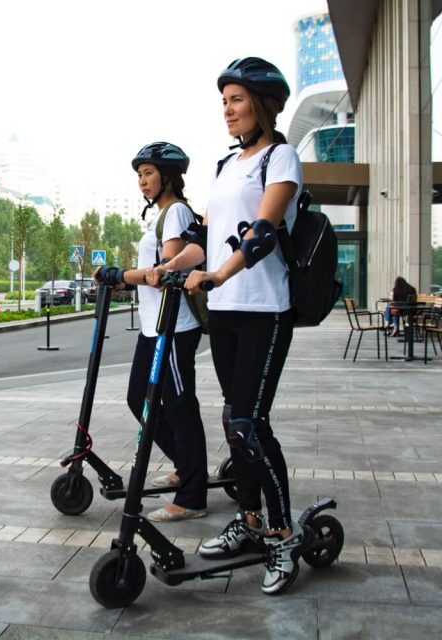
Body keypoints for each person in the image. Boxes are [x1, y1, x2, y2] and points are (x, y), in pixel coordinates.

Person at [153, 57, 304, 595]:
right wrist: (172, 266)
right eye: (224, 101)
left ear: (263, 105)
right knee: (231, 420)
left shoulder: (281, 158)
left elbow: (262, 232)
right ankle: (251, 518)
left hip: (265, 308)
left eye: (237, 100)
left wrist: (218, 274)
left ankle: (283, 533)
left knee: (250, 423)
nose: (228, 110)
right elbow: (206, 240)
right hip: (226, 311)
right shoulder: (225, 165)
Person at [94, 141, 209, 523]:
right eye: (140, 175)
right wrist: (122, 279)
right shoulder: (161, 216)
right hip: (153, 327)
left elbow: (164, 273)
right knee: (137, 398)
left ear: (168, 176)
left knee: (179, 405)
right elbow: (150, 275)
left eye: (148, 173)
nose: (142, 181)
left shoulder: (175, 213)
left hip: (174, 327)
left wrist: (121, 274)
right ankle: (185, 465)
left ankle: (192, 495)